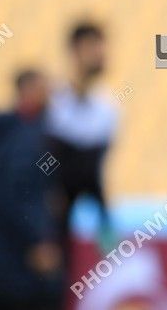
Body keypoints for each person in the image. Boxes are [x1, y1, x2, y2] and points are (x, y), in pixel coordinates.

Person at [0, 69, 64, 310]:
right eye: (44, 89)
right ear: (28, 91)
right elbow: (20, 196)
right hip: (21, 266)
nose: (50, 96)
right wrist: (38, 240)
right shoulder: (25, 139)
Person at [45, 21, 119, 269]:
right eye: (91, 46)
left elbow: (94, 170)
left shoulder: (108, 107)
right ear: (75, 51)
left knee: (110, 258)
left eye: (101, 46)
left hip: (92, 196)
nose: (99, 53)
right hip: (54, 210)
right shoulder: (53, 103)